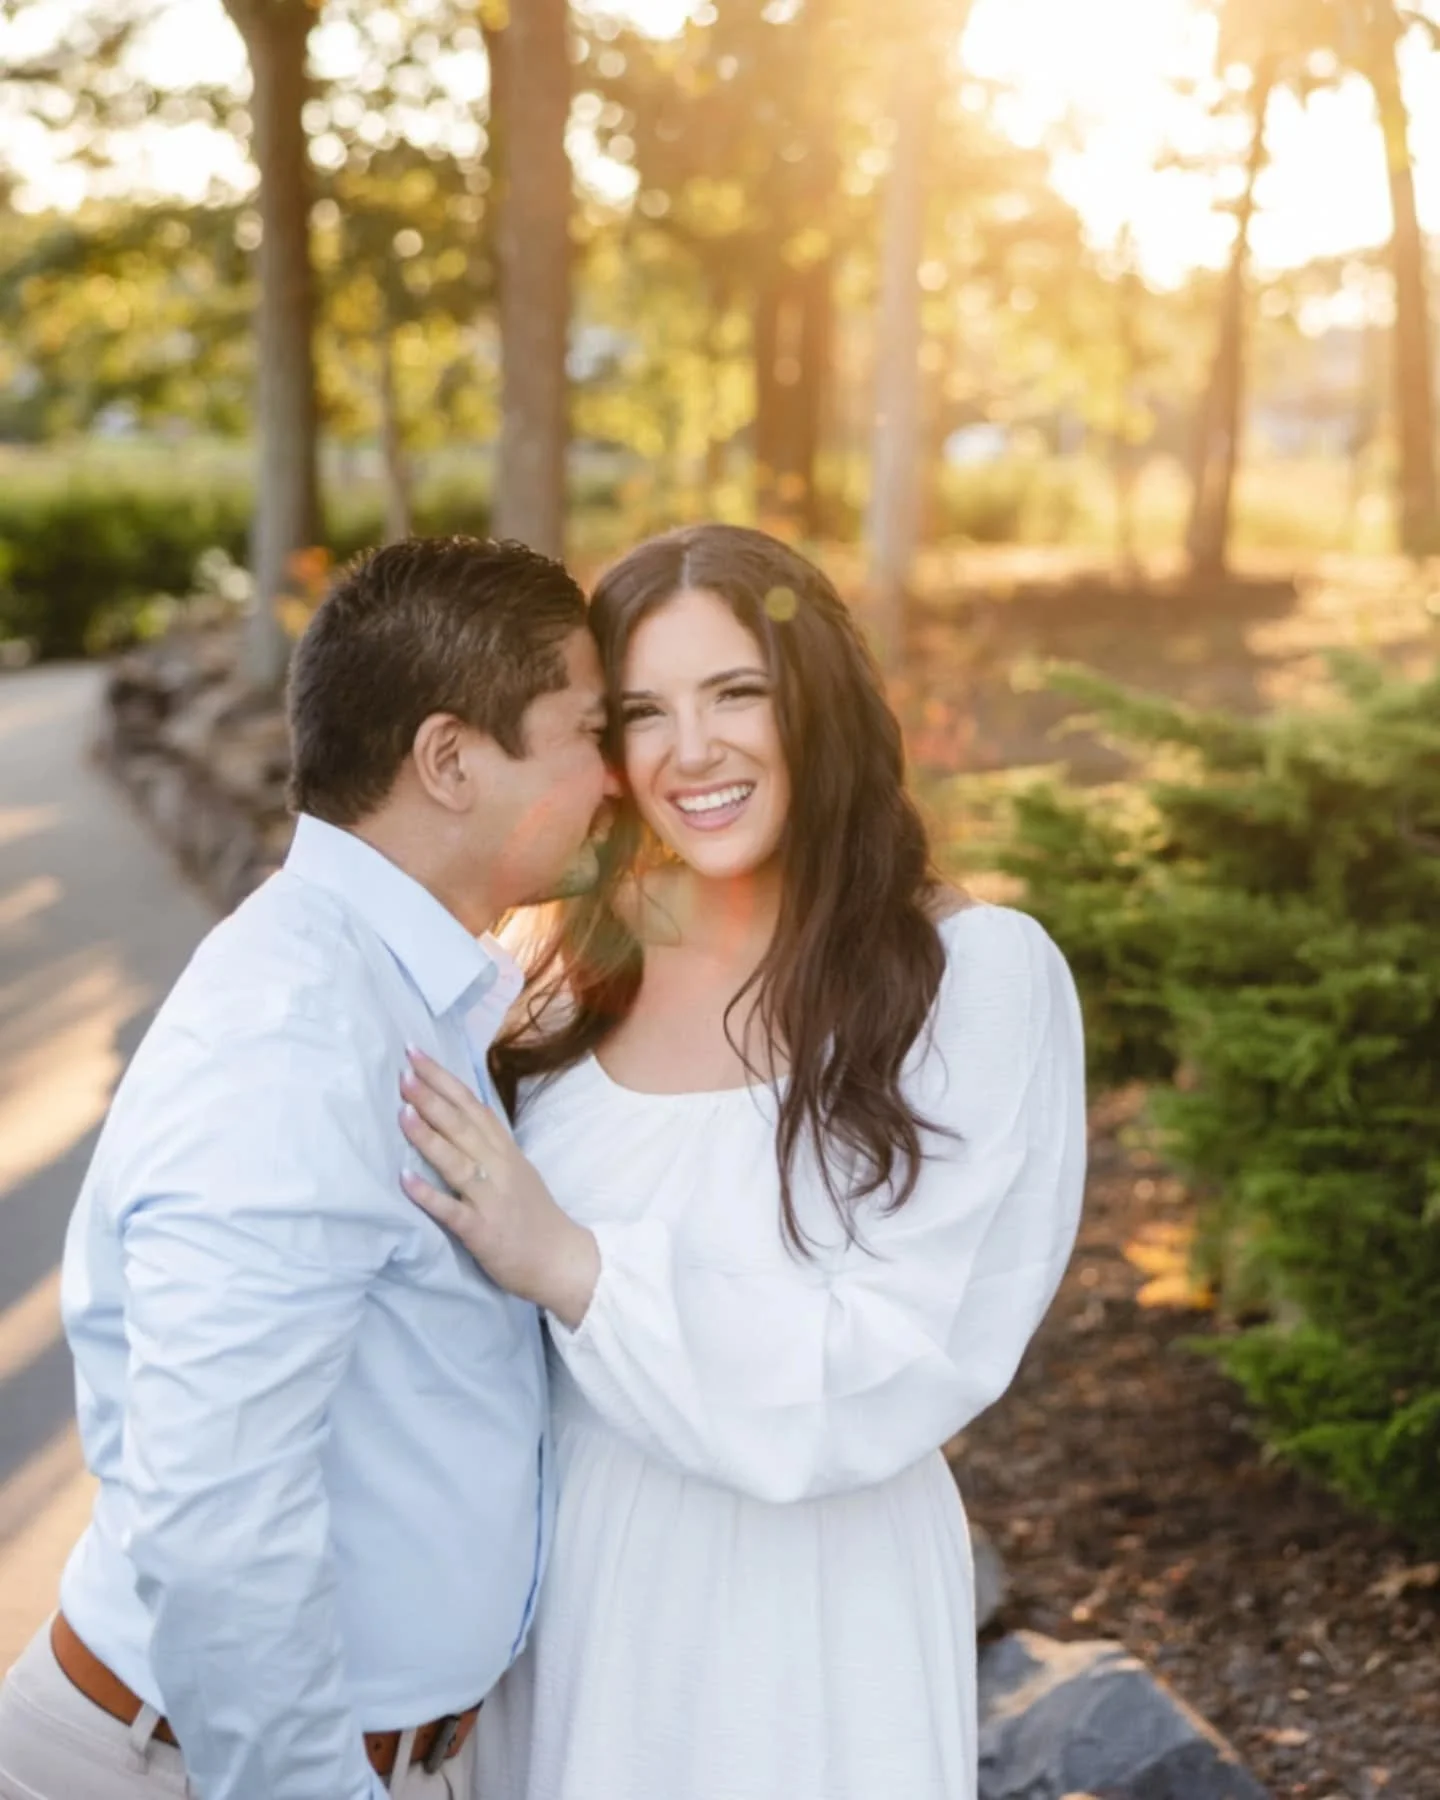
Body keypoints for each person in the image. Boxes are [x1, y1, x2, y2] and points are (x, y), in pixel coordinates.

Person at [395, 522, 1089, 1800]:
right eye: (644, 711)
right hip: (565, 1597)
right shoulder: (571, 966)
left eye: (736, 694)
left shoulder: (973, 980)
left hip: (803, 1615)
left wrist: (576, 1267)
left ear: (813, 703)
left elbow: (896, 1358)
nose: (691, 750)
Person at [0, 537, 619, 1800]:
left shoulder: (416, 984)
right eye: (588, 731)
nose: (618, 776)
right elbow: (219, 1523)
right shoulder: (294, 1035)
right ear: (451, 760)